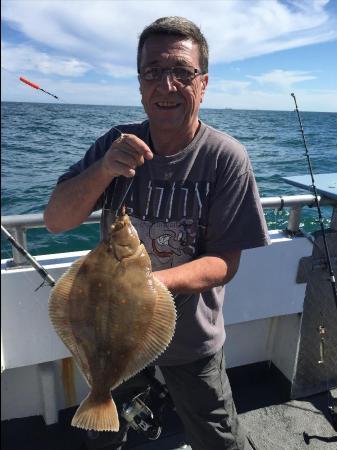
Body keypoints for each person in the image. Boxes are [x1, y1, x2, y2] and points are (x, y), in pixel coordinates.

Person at [44, 16, 270, 450]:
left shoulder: (225, 158)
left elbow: (225, 263)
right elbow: (56, 220)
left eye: (182, 73)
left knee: (219, 438)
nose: (166, 85)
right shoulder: (115, 142)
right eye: (152, 72)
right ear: (139, 83)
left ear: (203, 84)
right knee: (105, 432)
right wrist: (103, 169)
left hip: (191, 343)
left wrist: (143, 287)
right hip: (109, 339)